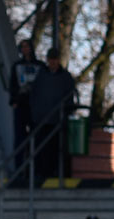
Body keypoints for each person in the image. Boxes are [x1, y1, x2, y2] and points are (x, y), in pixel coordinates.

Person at [29, 48, 76, 180]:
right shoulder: (41, 76)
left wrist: (66, 114)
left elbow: (69, 98)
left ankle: (55, 172)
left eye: (55, 59)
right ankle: (42, 172)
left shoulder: (65, 77)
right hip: (42, 119)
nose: (53, 62)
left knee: (56, 148)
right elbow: (34, 96)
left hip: (58, 120)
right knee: (42, 148)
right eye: (51, 59)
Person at [8, 40, 43, 170]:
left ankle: (37, 167)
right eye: (22, 47)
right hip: (21, 105)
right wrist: (14, 101)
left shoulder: (40, 66)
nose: (25, 49)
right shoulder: (17, 66)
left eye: (27, 46)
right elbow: (12, 85)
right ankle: (19, 167)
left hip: (35, 106)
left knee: (37, 137)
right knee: (19, 137)